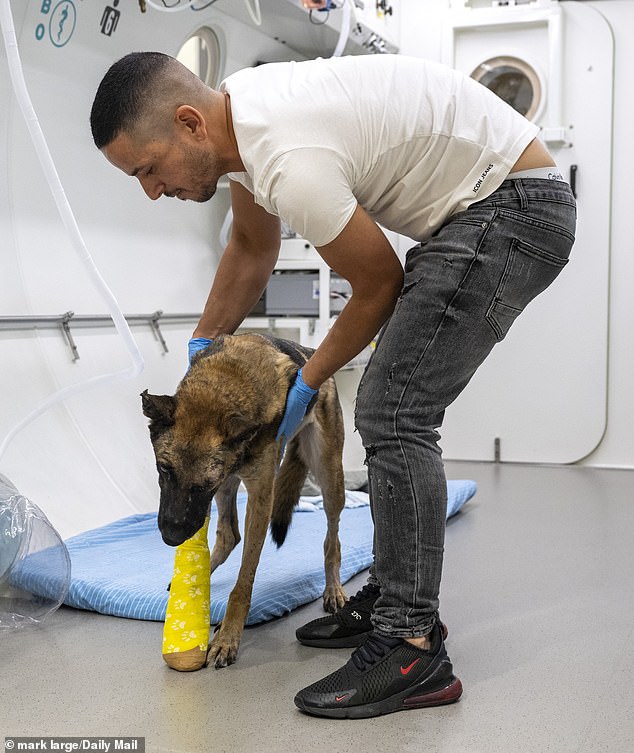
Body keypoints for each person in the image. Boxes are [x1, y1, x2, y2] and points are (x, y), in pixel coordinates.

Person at [90, 51, 576, 719]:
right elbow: (251, 250)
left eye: (148, 169)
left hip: (513, 208)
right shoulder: (242, 121)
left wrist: (304, 387)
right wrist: (202, 347)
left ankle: (411, 645)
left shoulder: (286, 157)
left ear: (188, 122)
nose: (151, 189)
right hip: (485, 206)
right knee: (392, 403)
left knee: (394, 410)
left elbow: (378, 285)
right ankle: (396, 594)